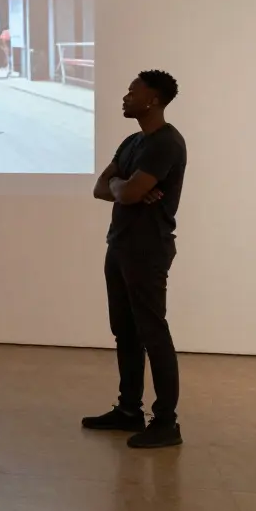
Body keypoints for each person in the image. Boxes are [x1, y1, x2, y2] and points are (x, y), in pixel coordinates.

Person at [84, 71, 187, 449]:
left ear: (154, 99)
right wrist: (123, 188)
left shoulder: (166, 144)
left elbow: (126, 191)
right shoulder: (132, 142)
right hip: (121, 245)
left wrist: (125, 189)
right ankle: (129, 410)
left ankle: (166, 423)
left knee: (152, 332)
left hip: (148, 250)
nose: (126, 97)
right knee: (124, 330)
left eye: (133, 91)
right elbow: (103, 188)